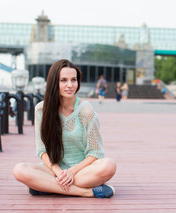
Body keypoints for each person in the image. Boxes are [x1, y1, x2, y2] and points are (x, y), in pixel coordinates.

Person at [13, 59, 116, 198]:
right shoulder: (41, 109)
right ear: (54, 82)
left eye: (74, 80)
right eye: (64, 80)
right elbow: (42, 150)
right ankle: (86, 192)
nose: (70, 85)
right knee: (19, 170)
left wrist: (71, 172)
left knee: (109, 165)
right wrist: (58, 172)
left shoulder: (85, 110)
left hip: (82, 171)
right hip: (54, 170)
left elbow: (95, 152)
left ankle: (46, 186)